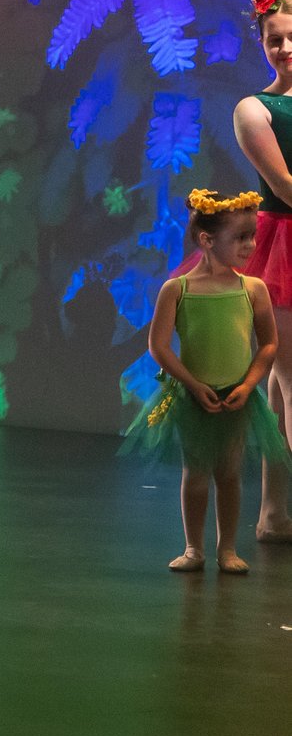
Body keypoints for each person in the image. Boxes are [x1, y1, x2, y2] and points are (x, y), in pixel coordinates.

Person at [121, 189, 287, 573]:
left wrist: (247, 385)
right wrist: (193, 386)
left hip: (237, 397)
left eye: (251, 236)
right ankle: (193, 548)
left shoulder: (253, 289)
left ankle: (227, 549)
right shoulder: (177, 290)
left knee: (229, 475)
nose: (250, 245)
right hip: (193, 397)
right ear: (207, 240)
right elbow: (159, 347)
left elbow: (268, 345)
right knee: (195, 475)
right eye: (240, 237)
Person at [227, 0, 292, 540]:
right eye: (275, 40)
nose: (286, 48)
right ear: (262, 43)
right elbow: (286, 187)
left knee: (279, 385)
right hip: (282, 250)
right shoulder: (255, 109)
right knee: (290, 378)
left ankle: (273, 512)